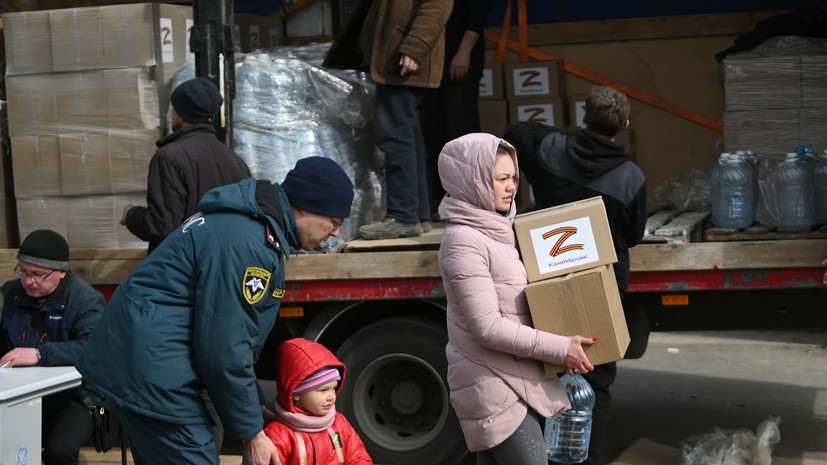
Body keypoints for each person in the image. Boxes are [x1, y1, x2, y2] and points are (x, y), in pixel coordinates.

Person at [78, 156, 355, 465]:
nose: (334, 233)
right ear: (305, 206)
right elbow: (225, 348)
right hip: (153, 371)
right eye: (335, 221)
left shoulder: (248, 229)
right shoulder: (248, 244)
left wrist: (253, 410)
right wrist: (252, 433)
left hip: (143, 361)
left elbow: (228, 338)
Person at [503, 84, 648, 465]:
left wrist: (563, 135)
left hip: (548, 277)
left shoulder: (550, 147)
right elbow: (633, 236)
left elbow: (515, 131)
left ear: (583, 116)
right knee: (595, 384)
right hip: (600, 287)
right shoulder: (631, 176)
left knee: (546, 374)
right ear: (625, 125)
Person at [437, 133, 597, 465]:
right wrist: (559, 348)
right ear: (474, 181)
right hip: (494, 384)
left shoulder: (495, 228)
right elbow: (488, 328)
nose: (512, 187)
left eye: (514, 178)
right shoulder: (463, 240)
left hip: (513, 377)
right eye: (501, 179)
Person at [323, 0, 452, 239]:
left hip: (402, 58)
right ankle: (417, 213)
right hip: (393, 56)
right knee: (407, 134)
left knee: (395, 136)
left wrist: (415, 47)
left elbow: (437, 5)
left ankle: (403, 215)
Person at [0, 229, 107, 465]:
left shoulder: (86, 300)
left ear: (61, 272)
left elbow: (96, 350)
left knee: (60, 450)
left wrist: (40, 354)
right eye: (23, 271)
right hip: (18, 395)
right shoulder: (9, 294)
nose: (28, 281)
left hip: (73, 397)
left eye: (37, 274)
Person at [121, 77, 252, 253]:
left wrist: (131, 215)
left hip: (185, 270)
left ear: (181, 114)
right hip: (226, 266)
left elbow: (161, 226)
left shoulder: (168, 157)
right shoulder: (236, 161)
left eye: (174, 108)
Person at [420, 0, 493, 218]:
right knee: (431, 133)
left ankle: (471, 202)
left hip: (459, 56)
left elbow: (478, 11)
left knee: (462, 133)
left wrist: (464, 51)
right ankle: (439, 202)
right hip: (430, 62)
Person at [263, 337, 372, 465]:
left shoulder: (339, 423)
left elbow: (358, 457)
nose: (331, 396)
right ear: (296, 393)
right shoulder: (278, 435)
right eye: (323, 390)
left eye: (333, 388)